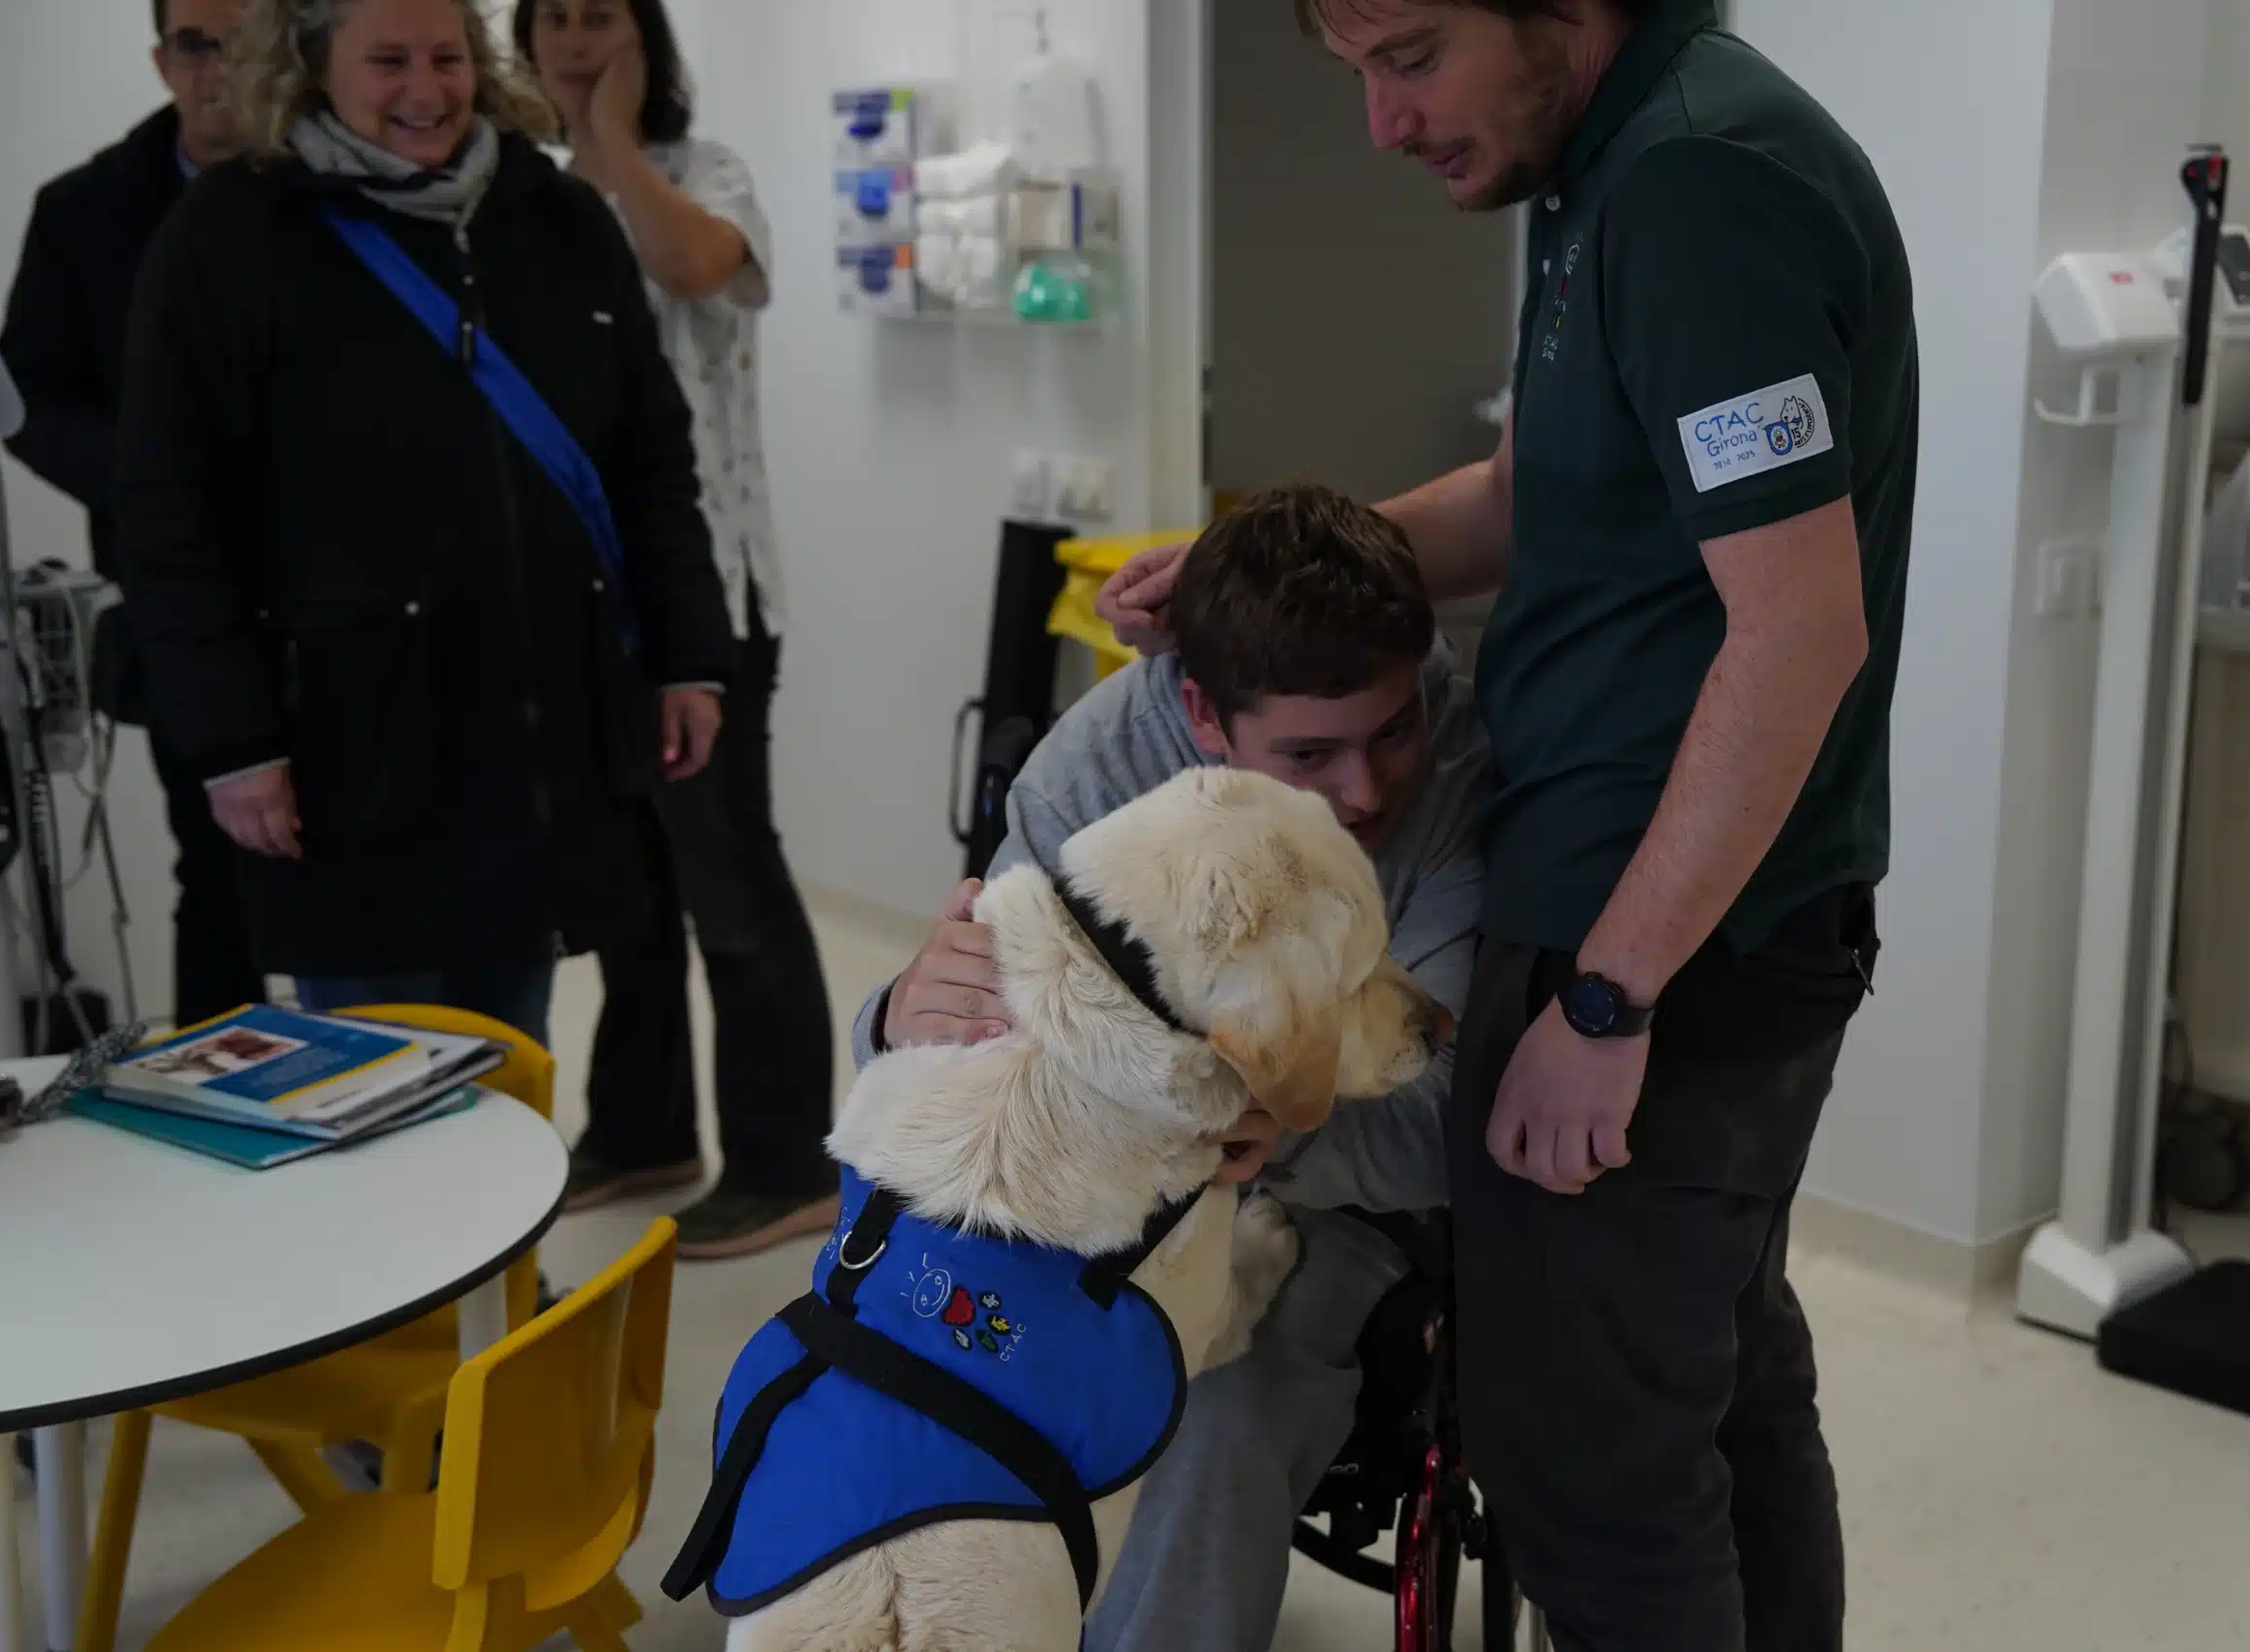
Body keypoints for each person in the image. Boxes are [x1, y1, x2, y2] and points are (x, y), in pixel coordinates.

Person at [1101, 4, 1917, 1648]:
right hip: (1674, 915)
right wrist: (1250, 570)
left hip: (1666, 941)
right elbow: (1529, 497)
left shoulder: (1698, 179)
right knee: (1724, 1392)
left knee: (1596, 1480)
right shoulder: (1606, 164)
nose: (1386, 127)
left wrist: (1604, 997)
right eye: (1359, 77)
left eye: (1410, 56)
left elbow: (1799, 633)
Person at [866, 484, 1485, 1651]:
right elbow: (964, 1033)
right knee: (920, 1332)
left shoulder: (1459, 777)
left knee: (1211, 1405)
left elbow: (1443, 1116)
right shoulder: (1088, 771)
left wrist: (1276, 1140)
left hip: (1333, 1192)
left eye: (1391, 730)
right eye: (1310, 755)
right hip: (1095, 1181)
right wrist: (894, 1016)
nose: (1363, 791)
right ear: (1203, 714)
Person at [114, 0, 734, 1047]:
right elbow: (171, 514)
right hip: (349, 756)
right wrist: (234, 744)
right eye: (387, 60)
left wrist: (688, 656)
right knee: (371, 1090)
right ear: (313, 66)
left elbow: (650, 462)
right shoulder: (231, 232)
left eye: (448, 57)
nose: (425, 90)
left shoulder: (559, 217)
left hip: (532, 745)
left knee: (507, 1068)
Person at [516, 0, 839, 1259]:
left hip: (711, 598)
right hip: (581, 603)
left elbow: (699, 265)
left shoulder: (703, 177)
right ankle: (645, 1128)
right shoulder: (521, 196)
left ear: (646, 38)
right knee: (624, 880)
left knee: (729, 872)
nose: (578, 38)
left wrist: (610, 143)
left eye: (604, 15)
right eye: (556, 19)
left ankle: (786, 1156)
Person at [0, 0, 260, 1031]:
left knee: (374, 883)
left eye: (243, 42)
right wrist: (154, 477)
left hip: (350, 600)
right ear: (163, 60)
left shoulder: (341, 190)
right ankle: (224, 1135)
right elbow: (27, 397)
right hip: (182, 603)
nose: (221, 69)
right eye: (198, 44)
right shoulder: (86, 212)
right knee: (219, 870)